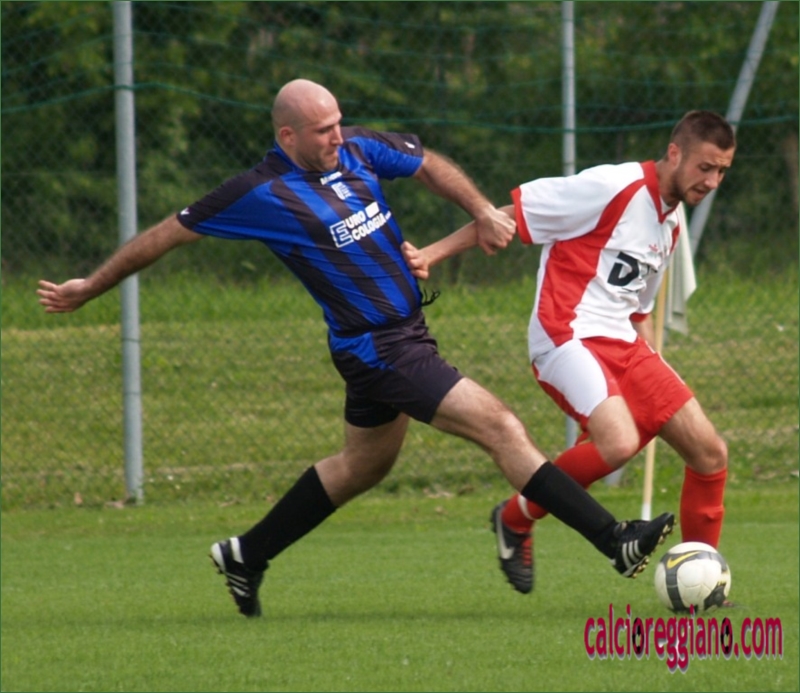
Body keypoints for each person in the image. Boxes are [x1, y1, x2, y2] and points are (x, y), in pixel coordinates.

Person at [38, 79, 674, 618]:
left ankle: (245, 555)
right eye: (322, 131)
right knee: (501, 426)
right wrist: (91, 286)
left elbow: (427, 163)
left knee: (362, 467)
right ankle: (613, 539)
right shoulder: (259, 192)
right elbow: (166, 235)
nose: (336, 136)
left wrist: (481, 209)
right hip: (380, 348)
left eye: (338, 123)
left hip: (401, 336)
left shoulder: (357, 149)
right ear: (288, 136)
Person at [402, 110, 734, 595]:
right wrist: (431, 253)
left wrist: (653, 379)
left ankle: (705, 587)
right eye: (705, 167)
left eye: (722, 171)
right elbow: (507, 217)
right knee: (618, 444)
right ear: (674, 153)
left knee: (709, 452)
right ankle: (516, 518)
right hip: (565, 334)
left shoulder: (671, 223)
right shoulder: (613, 187)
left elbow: (637, 310)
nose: (713, 181)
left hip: (622, 342)